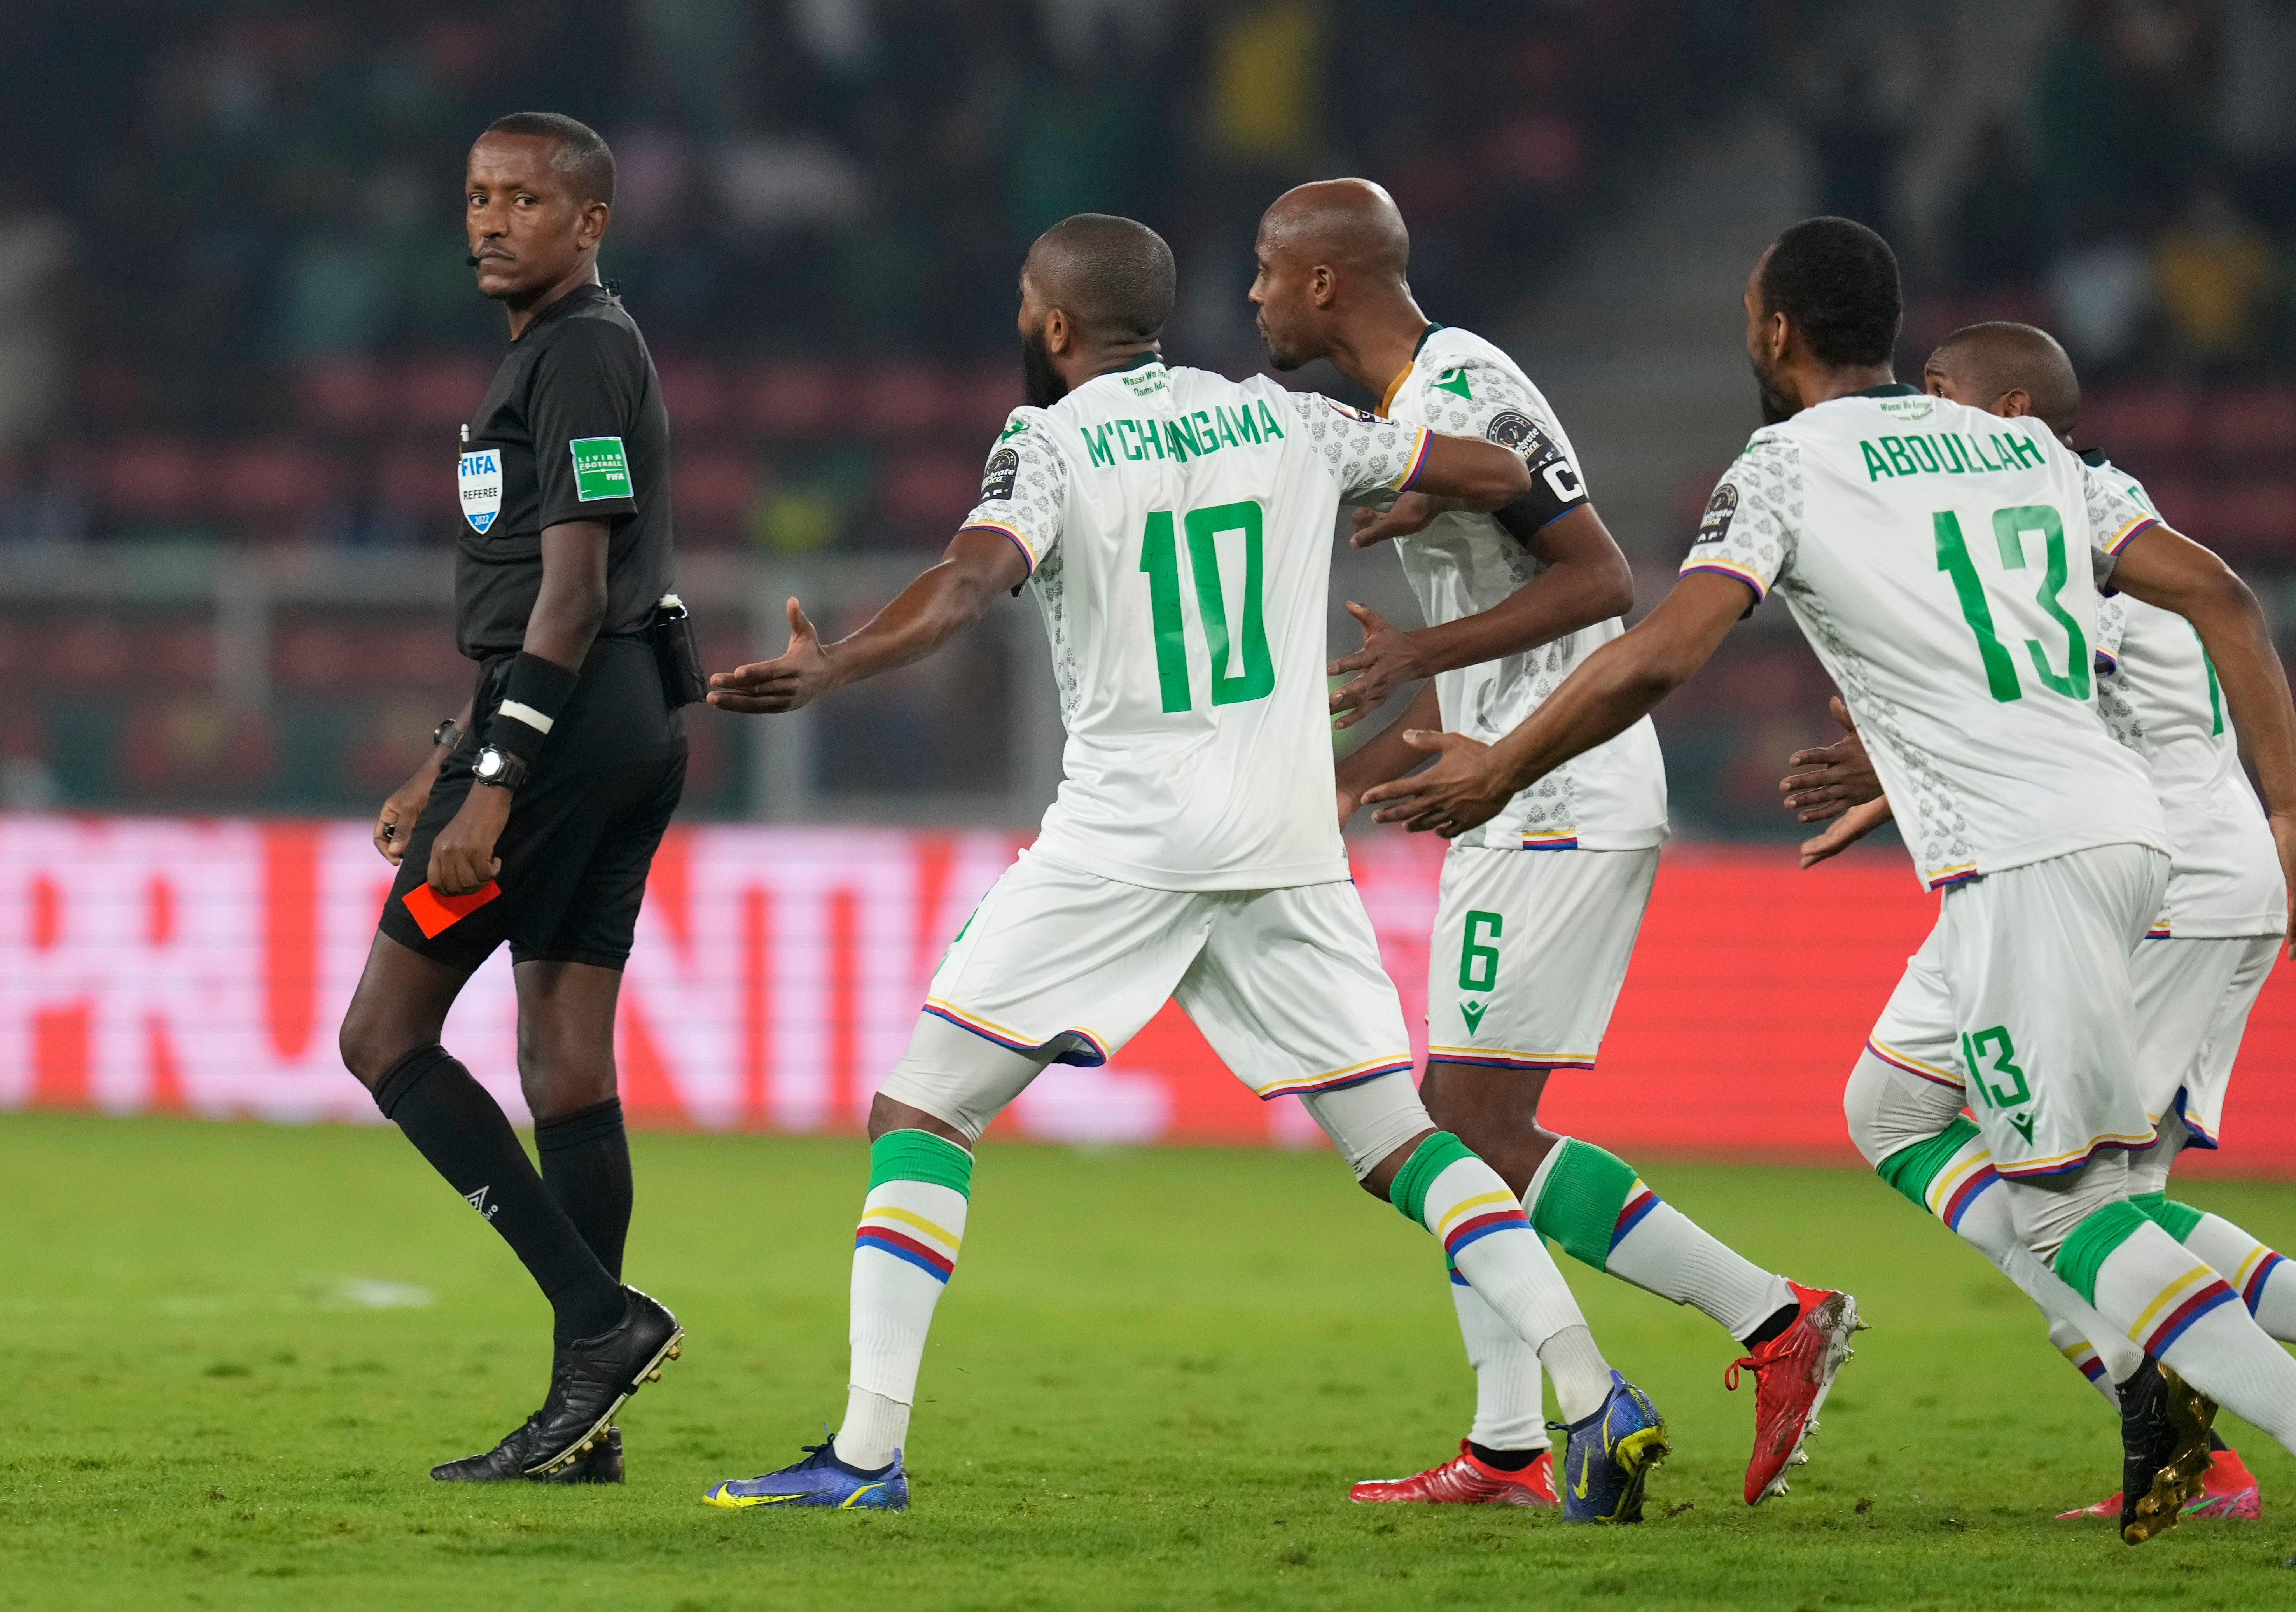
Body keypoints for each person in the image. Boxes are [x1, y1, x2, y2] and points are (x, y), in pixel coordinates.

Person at [699, 213, 1669, 1520]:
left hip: (1127, 837)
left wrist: (837, 662)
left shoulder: (1045, 440)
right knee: (1402, 1140)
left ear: (1051, 326)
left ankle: (866, 1453)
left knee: (923, 1110)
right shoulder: (1285, 419)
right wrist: (1439, 487)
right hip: (1281, 838)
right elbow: (1501, 463)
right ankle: (1590, 1386)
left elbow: (970, 580)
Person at [1359, 216, 2296, 1547]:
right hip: (2111, 828)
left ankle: (2214, 1430)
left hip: (2029, 858)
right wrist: (2283, 806)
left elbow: (1662, 651)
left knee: (2077, 1212)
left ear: (1775, 330)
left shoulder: (1783, 467)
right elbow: (2215, 593)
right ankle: (2175, 1404)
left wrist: (1505, 763)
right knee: (1904, 1110)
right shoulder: (2022, 444)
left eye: (1750, 311)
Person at [1248, 178, 1856, 1511]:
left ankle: (1771, 1317)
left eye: (1265, 272)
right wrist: (1350, 775)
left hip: (1559, 788)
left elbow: (1599, 580)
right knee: (1459, 1125)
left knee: (1457, 1129)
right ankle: (1507, 1442)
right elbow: (1501, 638)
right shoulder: (1413, 417)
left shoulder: (1466, 380)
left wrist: (1421, 650)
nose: (1250, 296)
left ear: (1327, 284)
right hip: (1506, 784)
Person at [1780, 320, 2288, 1525]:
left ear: (2007, 413)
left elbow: (2057, 658)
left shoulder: (2067, 508)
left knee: (2105, 1208)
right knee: (1893, 1106)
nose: (1920, 411)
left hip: (2151, 876)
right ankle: (2146, 1387)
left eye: (1942, 395)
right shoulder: (2061, 499)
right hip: (2051, 853)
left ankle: (2195, 1448)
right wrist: (1896, 777)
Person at [336, 112, 688, 1484]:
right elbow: (546, 606)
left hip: (570, 731)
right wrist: (453, 745)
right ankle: (585, 1416)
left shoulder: (582, 350)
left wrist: (491, 782)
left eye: (525, 200)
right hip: (622, 723)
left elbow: (575, 587)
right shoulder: (561, 351)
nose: (491, 219)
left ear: (588, 220)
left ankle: (601, 1325)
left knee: (381, 1032)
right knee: (563, 1060)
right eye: (478, 195)